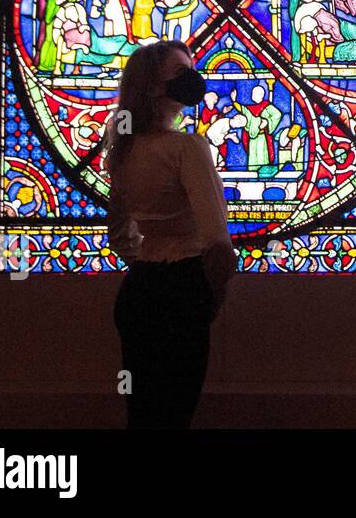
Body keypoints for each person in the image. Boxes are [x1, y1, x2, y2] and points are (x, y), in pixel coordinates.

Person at [104, 41, 237, 428]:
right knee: (175, 416)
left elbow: (120, 236)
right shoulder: (188, 148)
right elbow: (217, 242)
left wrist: (150, 262)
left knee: (143, 417)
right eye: (181, 73)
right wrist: (209, 295)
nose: (193, 79)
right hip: (183, 291)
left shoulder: (123, 150)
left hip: (139, 292)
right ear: (153, 85)